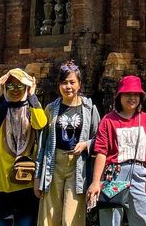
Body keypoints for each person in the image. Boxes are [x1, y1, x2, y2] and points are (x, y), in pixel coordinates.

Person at [0, 68, 48, 226]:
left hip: (25, 180)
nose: (15, 90)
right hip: (0, 182)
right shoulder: (1, 110)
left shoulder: (31, 109)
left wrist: (32, 97)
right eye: (10, 86)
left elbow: (41, 123)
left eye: (20, 86)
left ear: (26, 88)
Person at [86, 75, 146, 226]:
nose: (131, 98)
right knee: (110, 220)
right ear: (119, 96)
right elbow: (101, 152)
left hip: (139, 173)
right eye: (127, 94)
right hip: (113, 174)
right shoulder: (108, 120)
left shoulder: (145, 119)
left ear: (140, 97)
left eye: (135, 94)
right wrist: (95, 182)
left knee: (145, 220)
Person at [35, 60, 101, 226]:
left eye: (72, 82)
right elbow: (42, 144)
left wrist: (86, 144)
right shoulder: (50, 109)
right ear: (59, 85)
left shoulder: (89, 108)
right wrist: (37, 177)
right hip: (53, 164)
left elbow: (100, 138)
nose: (68, 86)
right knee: (48, 217)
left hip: (77, 167)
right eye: (64, 83)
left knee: (72, 218)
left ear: (79, 84)